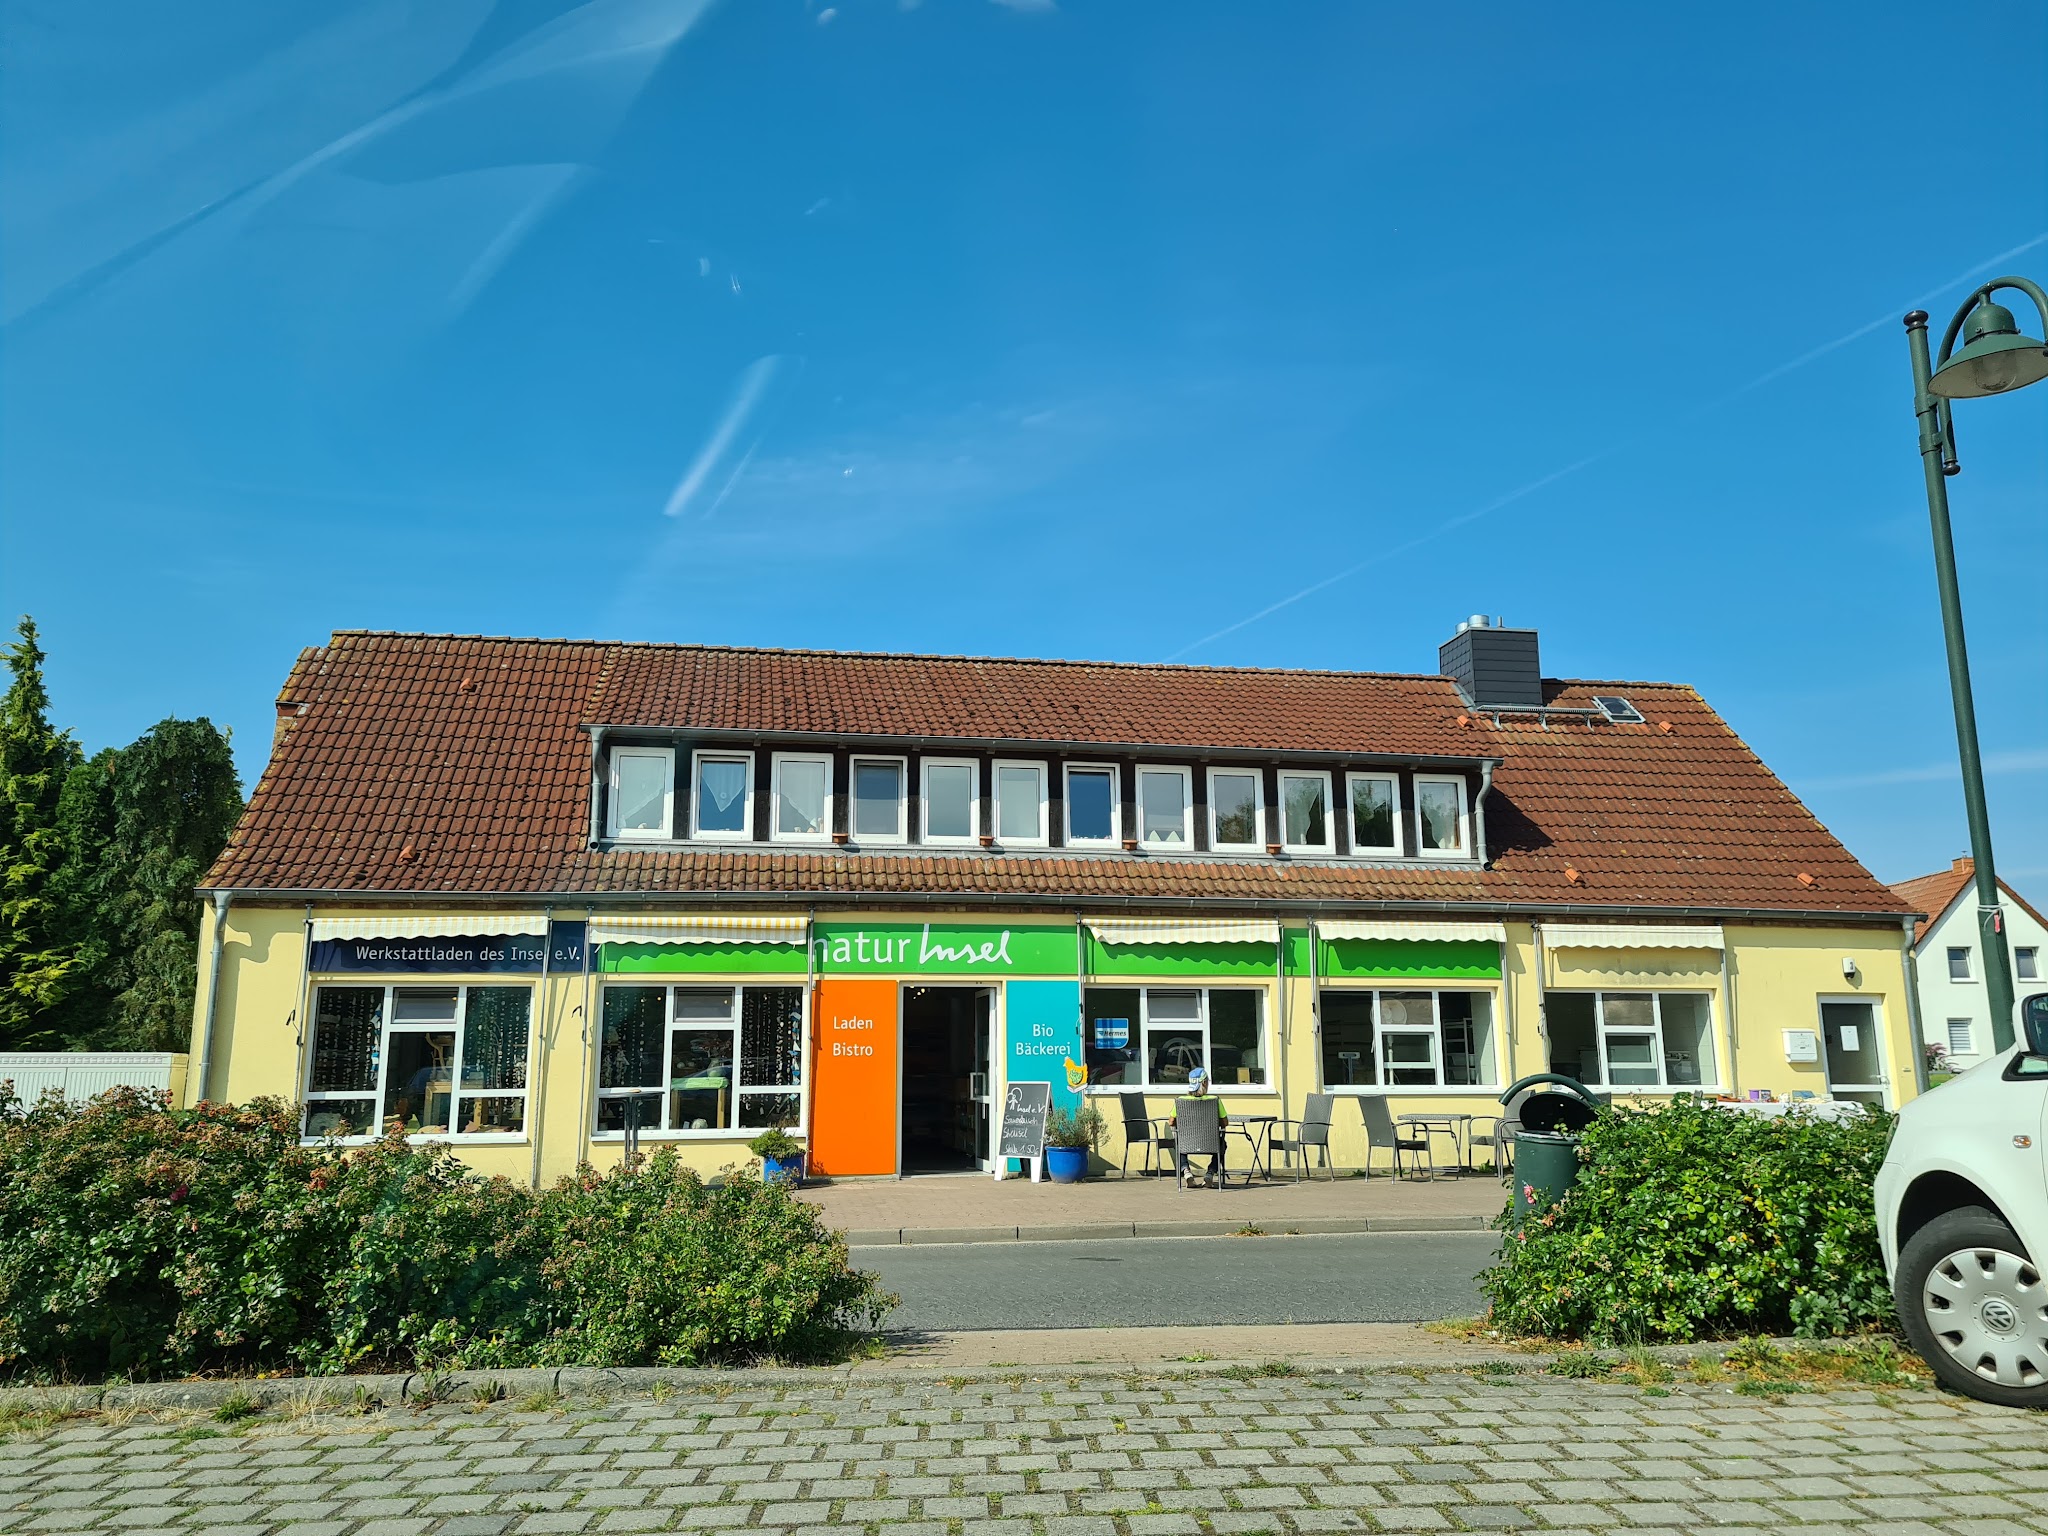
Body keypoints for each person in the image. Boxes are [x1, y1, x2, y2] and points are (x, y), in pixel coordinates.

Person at [1172, 1066, 1229, 1188]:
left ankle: (1186, 1170)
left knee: (1178, 1142)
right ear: (1203, 1082)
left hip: (1188, 1142)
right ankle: (1210, 1173)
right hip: (1210, 1141)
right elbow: (1225, 1123)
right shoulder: (1215, 1100)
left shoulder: (1181, 1101)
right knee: (1222, 1144)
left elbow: (1171, 1122)